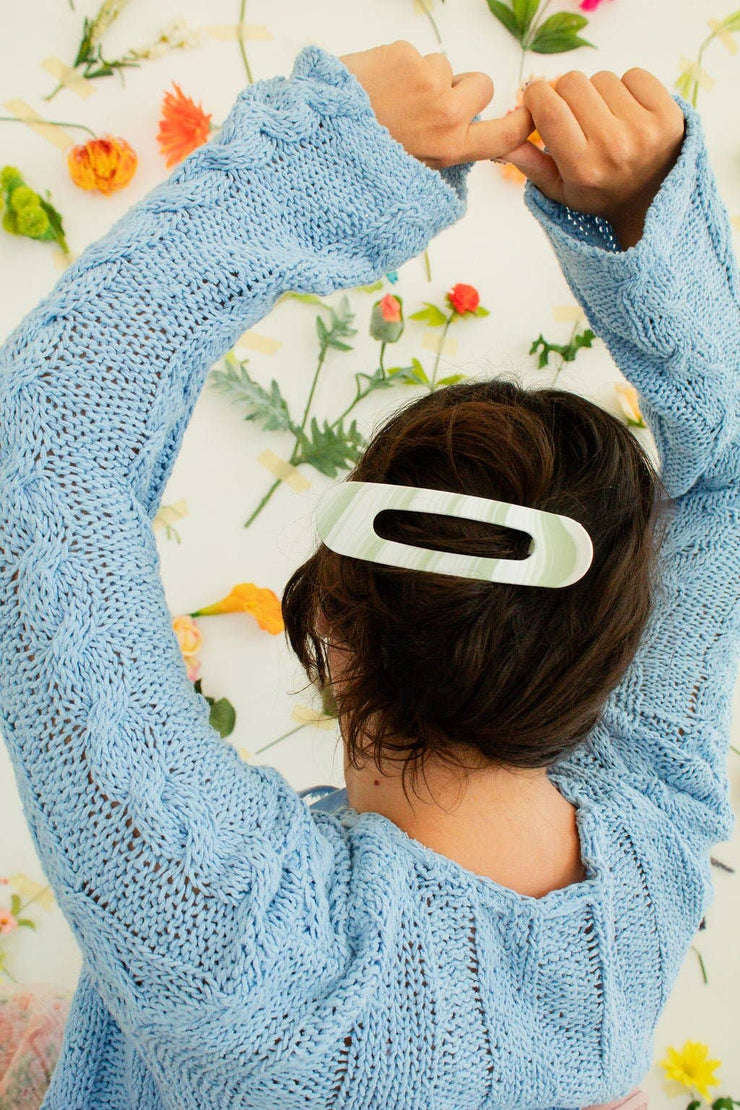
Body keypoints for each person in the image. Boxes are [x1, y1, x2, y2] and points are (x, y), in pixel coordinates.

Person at [0, 37, 737, 1110]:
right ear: (615, 644)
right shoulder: (647, 861)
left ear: (331, 621)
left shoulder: (234, 935)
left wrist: (324, 156)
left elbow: (40, 449)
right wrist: (644, 222)